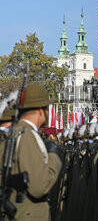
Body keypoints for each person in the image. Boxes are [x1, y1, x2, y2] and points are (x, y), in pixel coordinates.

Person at [6, 82, 62, 221]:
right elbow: (39, 187)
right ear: (40, 111)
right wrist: (54, 157)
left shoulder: (16, 132)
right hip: (28, 214)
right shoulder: (27, 136)